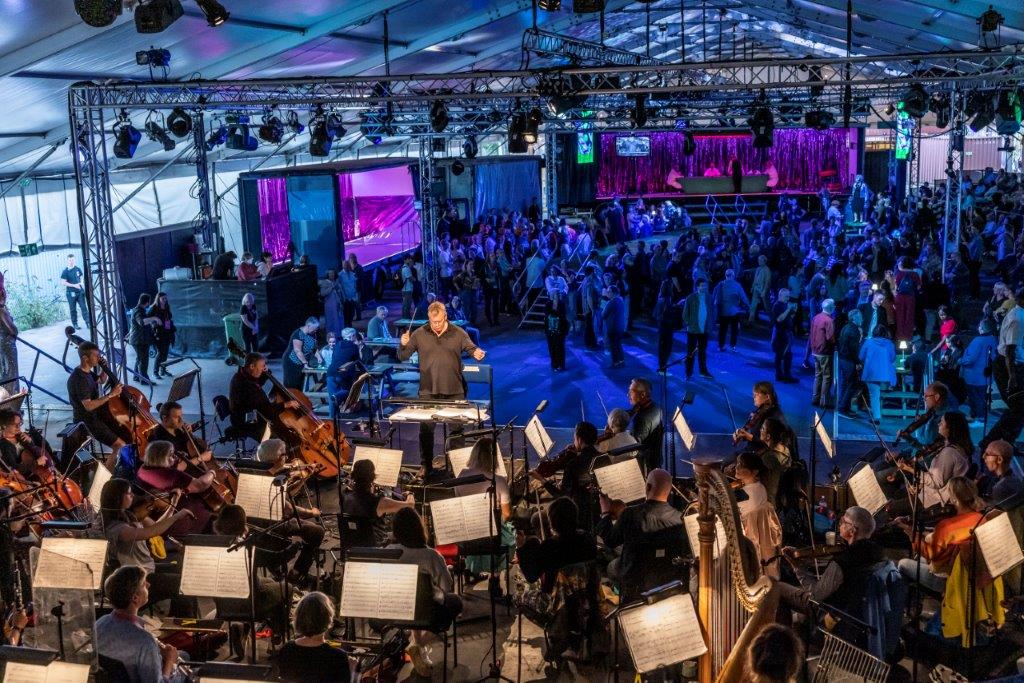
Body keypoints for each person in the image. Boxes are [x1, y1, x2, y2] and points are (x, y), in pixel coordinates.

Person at [396, 301, 485, 477]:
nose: (435, 325)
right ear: (428, 318)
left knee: (456, 431)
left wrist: (476, 353)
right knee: (426, 430)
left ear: (445, 317)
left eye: (438, 321)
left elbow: (470, 347)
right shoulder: (420, 333)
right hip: (428, 390)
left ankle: (455, 465)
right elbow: (402, 356)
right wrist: (402, 343)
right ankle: (426, 465)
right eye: (432, 321)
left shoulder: (458, 333)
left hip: (454, 389)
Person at [777, 505, 884, 634]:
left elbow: (816, 596)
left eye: (843, 522)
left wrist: (797, 566)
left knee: (777, 588)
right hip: (858, 611)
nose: (839, 525)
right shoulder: (878, 554)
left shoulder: (843, 562)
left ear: (852, 531)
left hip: (832, 613)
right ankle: (798, 623)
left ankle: (786, 639)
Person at [99, 477, 196, 617]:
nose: (133, 496)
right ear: (118, 498)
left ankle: (182, 619)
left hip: (147, 568)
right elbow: (149, 532)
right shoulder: (116, 528)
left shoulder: (129, 515)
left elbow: (157, 527)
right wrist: (177, 517)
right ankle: (183, 625)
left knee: (184, 569)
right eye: (128, 493)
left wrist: (173, 504)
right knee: (182, 584)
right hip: (137, 579)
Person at [387, 507, 463, 677]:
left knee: (416, 598)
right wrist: (446, 569)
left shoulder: (390, 551)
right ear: (419, 528)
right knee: (455, 601)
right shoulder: (431, 555)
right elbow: (446, 587)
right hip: (425, 612)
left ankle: (418, 646)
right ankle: (419, 643)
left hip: (397, 609)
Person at [596, 468, 683, 594]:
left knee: (611, 564)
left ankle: (620, 593)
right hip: (665, 579)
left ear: (648, 487)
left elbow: (610, 540)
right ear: (669, 491)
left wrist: (605, 512)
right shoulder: (680, 518)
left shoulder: (630, 514)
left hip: (634, 578)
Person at [95, 566, 190, 683]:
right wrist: (170, 661)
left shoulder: (100, 622)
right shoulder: (145, 641)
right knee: (188, 669)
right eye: (144, 584)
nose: (149, 585)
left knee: (184, 655)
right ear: (135, 598)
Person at [894, 477, 983, 593]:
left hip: (947, 579)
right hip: (968, 573)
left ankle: (912, 603)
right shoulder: (981, 518)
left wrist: (912, 535)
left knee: (902, 564)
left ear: (955, 499)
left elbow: (929, 554)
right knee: (918, 559)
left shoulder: (947, 526)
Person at [66, 341, 126, 470]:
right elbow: (88, 406)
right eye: (96, 356)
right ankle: (107, 477)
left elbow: (101, 380)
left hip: (97, 416)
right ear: (85, 358)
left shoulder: (87, 372)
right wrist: (110, 395)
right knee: (119, 445)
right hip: (88, 420)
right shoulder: (79, 379)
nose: (98, 358)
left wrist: (105, 368)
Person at [531, 421, 600, 530]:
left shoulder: (573, 464)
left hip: (578, 516)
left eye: (574, 438)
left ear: (580, 440)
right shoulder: (601, 457)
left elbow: (562, 496)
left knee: (536, 518)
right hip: (599, 511)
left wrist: (541, 479)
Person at [136, 440, 214, 537]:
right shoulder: (171, 475)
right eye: (172, 455)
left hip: (160, 519)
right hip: (181, 523)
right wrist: (212, 472)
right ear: (163, 458)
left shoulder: (142, 469)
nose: (175, 458)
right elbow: (201, 484)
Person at [982, 286, 1024, 451]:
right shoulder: (1017, 318)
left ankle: (1006, 441)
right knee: (1018, 407)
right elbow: (1010, 349)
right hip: (1008, 366)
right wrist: (1012, 376)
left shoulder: (1019, 314)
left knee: (1019, 408)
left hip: (1014, 365)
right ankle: (991, 441)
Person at [276, 591, 351, 683]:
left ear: (298, 617)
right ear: (328, 619)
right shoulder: (338, 656)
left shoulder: (287, 649)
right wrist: (354, 670)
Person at [228, 352, 299, 444]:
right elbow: (265, 410)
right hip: (247, 420)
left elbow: (257, 383)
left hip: (255, 413)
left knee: (281, 428)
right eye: (262, 366)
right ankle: (273, 454)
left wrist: (266, 373)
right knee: (278, 439)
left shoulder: (243, 375)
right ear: (252, 366)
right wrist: (285, 404)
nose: (263, 368)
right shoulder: (242, 384)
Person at [342, 459, 415, 545]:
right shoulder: (378, 502)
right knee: (403, 533)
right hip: (375, 548)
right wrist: (410, 494)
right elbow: (410, 505)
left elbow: (361, 502)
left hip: (353, 544)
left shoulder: (346, 496)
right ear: (372, 477)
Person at [733, 452, 782, 578]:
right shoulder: (760, 487)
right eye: (737, 463)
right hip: (762, 543)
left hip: (748, 541)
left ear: (754, 472)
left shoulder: (746, 496)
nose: (736, 467)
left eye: (741, 465)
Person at [961, 318, 999, 423]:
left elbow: (971, 359)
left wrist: (961, 361)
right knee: (981, 396)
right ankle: (980, 416)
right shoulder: (993, 339)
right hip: (985, 375)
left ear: (982, 328)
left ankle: (978, 417)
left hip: (974, 376)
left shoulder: (977, 341)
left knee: (975, 397)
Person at [859, 325, 896, 423]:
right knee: (879, 394)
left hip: (871, 373)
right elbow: (892, 358)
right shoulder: (890, 344)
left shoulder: (868, 342)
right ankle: (879, 414)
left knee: (874, 395)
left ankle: (877, 417)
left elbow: (861, 356)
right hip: (886, 376)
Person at [627, 378, 663, 473]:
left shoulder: (640, 419)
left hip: (645, 467)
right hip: (656, 459)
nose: (628, 394)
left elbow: (633, 448)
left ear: (643, 395)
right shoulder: (656, 407)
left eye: (631, 391)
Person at [0, 409, 48, 478]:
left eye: (20, 424)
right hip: (26, 478)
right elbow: (16, 469)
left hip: (37, 470)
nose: (18, 427)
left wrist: (30, 441)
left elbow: (33, 451)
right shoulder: (3, 446)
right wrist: (36, 463)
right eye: (15, 424)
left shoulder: (21, 436)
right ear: (4, 426)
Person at [325, 327, 362, 417]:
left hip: (330, 372)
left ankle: (332, 418)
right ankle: (337, 396)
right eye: (355, 336)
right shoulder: (354, 347)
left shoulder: (337, 345)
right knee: (349, 390)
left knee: (331, 398)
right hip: (342, 373)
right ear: (352, 336)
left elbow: (334, 359)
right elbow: (358, 361)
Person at [681, 277, 713, 379]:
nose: (704, 287)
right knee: (690, 352)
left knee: (702, 352)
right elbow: (685, 314)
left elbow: (712, 312)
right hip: (693, 330)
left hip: (704, 329)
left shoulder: (709, 297)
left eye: (705, 285)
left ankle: (703, 371)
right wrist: (689, 324)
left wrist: (710, 324)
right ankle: (688, 373)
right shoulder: (690, 298)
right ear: (697, 286)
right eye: (702, 285)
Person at [712, 268, 749, 352]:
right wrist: (748, 306)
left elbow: (714, 297)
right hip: (734, 311)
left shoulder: (720, 284)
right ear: (733, 276)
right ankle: (733, 346)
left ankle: (721, 346)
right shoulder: (737, 285)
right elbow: (744, 298)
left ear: (725, 275)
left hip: (723, 311)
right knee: (734, 329)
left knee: (722, 329)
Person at [976, 439, 1023, 504]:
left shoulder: (1001, 488)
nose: (983, 456)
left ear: (999, 460)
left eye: (987, 454)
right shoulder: (1015, 479)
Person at [809, 298, 836, 407]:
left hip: (815, 351)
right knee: (827, 376)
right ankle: (824, 401)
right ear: (832, 308)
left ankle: (815, 398)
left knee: (818, 375)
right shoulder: (829, 320)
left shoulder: (816, 317)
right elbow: (830, 338)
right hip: (824, 352)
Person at [127, 293, 159, 384]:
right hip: (139, 340)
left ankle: (136, 376)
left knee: (139, 358)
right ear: (147, 302)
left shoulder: (138, 310)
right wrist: (154, 318)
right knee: (143, 360)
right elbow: (142, 322)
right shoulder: (138, 311)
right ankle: (144, 380)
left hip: (138, 339)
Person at [836, 308, 863, 416]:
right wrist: (858, 362)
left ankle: (842, 404)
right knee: (851, 384)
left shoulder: (845, 327)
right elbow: (853, 349)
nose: (862, 318)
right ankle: (843, 408)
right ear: (854, 318)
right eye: (860, 317)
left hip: (843, 359)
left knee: (845, 383)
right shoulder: (854, 330)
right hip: (849, 361)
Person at [771, 287, 798, 383]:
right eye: (786, 296)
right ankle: (783, 375)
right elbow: (779, 319)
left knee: (786, 355)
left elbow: (788, 318)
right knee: (782, 355)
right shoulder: (777, 306)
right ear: (780, 295)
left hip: (786, 334)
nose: (788, 298)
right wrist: (788, 309)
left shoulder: (784, 305)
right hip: (780, 334)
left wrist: (793, 312)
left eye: (788, 296)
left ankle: (782, 374)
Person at [283, 317, 319, 390]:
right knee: (292, 384)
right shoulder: (298, 334)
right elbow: (297, 350)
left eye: (316, 329)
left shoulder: (313, 334)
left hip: (303, 362)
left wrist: (319, 357)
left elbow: (314, 349)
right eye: (314, 328)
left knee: (301, 384)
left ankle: (300, 400)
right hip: (292, 362)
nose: (316, 330)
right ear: (308, 325)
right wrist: (305, 363)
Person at [147, 292, 175, 379]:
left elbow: (169, 317)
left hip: (167, 332)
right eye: (163, 299)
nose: (165, 300)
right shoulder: (153, 308)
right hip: (158, 333)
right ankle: (155, 372)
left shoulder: (167, 307)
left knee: (165, 353)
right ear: (158, 299)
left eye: (165, 298)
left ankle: (163, 370)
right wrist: (155, 321)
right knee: (160, 352)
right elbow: (147, 319)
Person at [60, 253, 89, 329]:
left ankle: (88, 323)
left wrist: (82, 282)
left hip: (80, 292)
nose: (71, 261)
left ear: (74, 260)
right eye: (70, 260)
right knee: (73, 309)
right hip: (71, 293)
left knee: (84, 307)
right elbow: (63, 282)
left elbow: (81, 276)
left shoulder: (78, 269)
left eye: (72, 260)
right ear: (67, 261)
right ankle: (75, 324)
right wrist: (74, 285)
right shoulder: (65, 271)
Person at [543, 291, 570, 372]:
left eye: (557, 295)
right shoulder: (548, 304)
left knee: (560, 347)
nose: (556, 297)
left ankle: (561, 365)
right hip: (550, 330)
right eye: (554, 296)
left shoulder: (562, 304)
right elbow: (547, 315)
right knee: (552, 348)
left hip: (560, 330)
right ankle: (554, 365)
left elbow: (563, 316)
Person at [602, 284, 627, 368]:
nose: (607, 293)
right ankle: (621, 360)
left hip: (612, 327)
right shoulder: (620, 300)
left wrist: (604, 307)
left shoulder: (611, 302)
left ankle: (615, 362)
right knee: (618, 344)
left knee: (613, 345)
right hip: (620, 327)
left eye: (609, 292)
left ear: (613, 292)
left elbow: (603, 315)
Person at [748, 256, 772, 324]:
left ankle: (772, 321)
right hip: (756, 289)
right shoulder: (758, 269)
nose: (759, 261)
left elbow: (768, 282)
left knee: (767, 306)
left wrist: (764, 291)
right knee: (753, 306)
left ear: (764, 261)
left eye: (760, 260)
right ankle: (750, 321)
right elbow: (755, 279)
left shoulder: (767, 270)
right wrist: (752, 287)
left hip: (763, 290)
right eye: (758, 260)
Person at [319, 270, 342, 338]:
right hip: (329, 305)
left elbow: (338, 292)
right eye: (330, 274)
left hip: (336, 304)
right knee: (331, 320)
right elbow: (323, 293)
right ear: (328, 275)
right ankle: (331, 336)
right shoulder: (324, 282)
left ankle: (338, 334)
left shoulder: (335, 282)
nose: (332, 275)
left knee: (338, 319)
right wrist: (331, 287)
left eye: (333, 274)